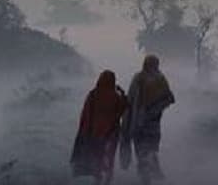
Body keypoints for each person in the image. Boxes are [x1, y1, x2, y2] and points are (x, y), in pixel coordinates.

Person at [120, 54, 175, 184]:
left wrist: (129, 119)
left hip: (139, 122)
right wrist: (156, 109)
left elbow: (131, 100)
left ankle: (145, 177)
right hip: (154, 124)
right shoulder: (161, 79)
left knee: (141, 151)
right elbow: (169, 98)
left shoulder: (138, 78)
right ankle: (151, 172)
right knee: (151, 149)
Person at [71, 70, 128, 184]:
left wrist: (84, 131)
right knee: (109, 158)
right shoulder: (115, 96)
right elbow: (122, 110)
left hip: (95, 133)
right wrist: (123, 94)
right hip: (111, 133)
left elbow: (86, 114)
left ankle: (98, 179)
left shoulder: (93, 94)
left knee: (97, 157)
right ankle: (107, 180)